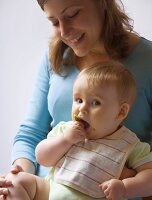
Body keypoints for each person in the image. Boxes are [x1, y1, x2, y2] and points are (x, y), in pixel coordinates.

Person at [0, 0, 152, 199]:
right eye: (54, 22)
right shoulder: (55, 57)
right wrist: (18, 172)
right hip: (48, 187)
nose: (64, 31)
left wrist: (125, 180)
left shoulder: (147, 61)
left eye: (72, 14)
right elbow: (32, 133)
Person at [3, 61, 152, 200]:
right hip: (50, 191)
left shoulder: (129, 144)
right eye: (78, 100)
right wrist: (65, 140)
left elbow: (149, 177)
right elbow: (42, 158)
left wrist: (125, 188)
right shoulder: (65, 130)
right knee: (14, 182)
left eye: (95, 102)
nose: (82, 108)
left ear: (121, 112)